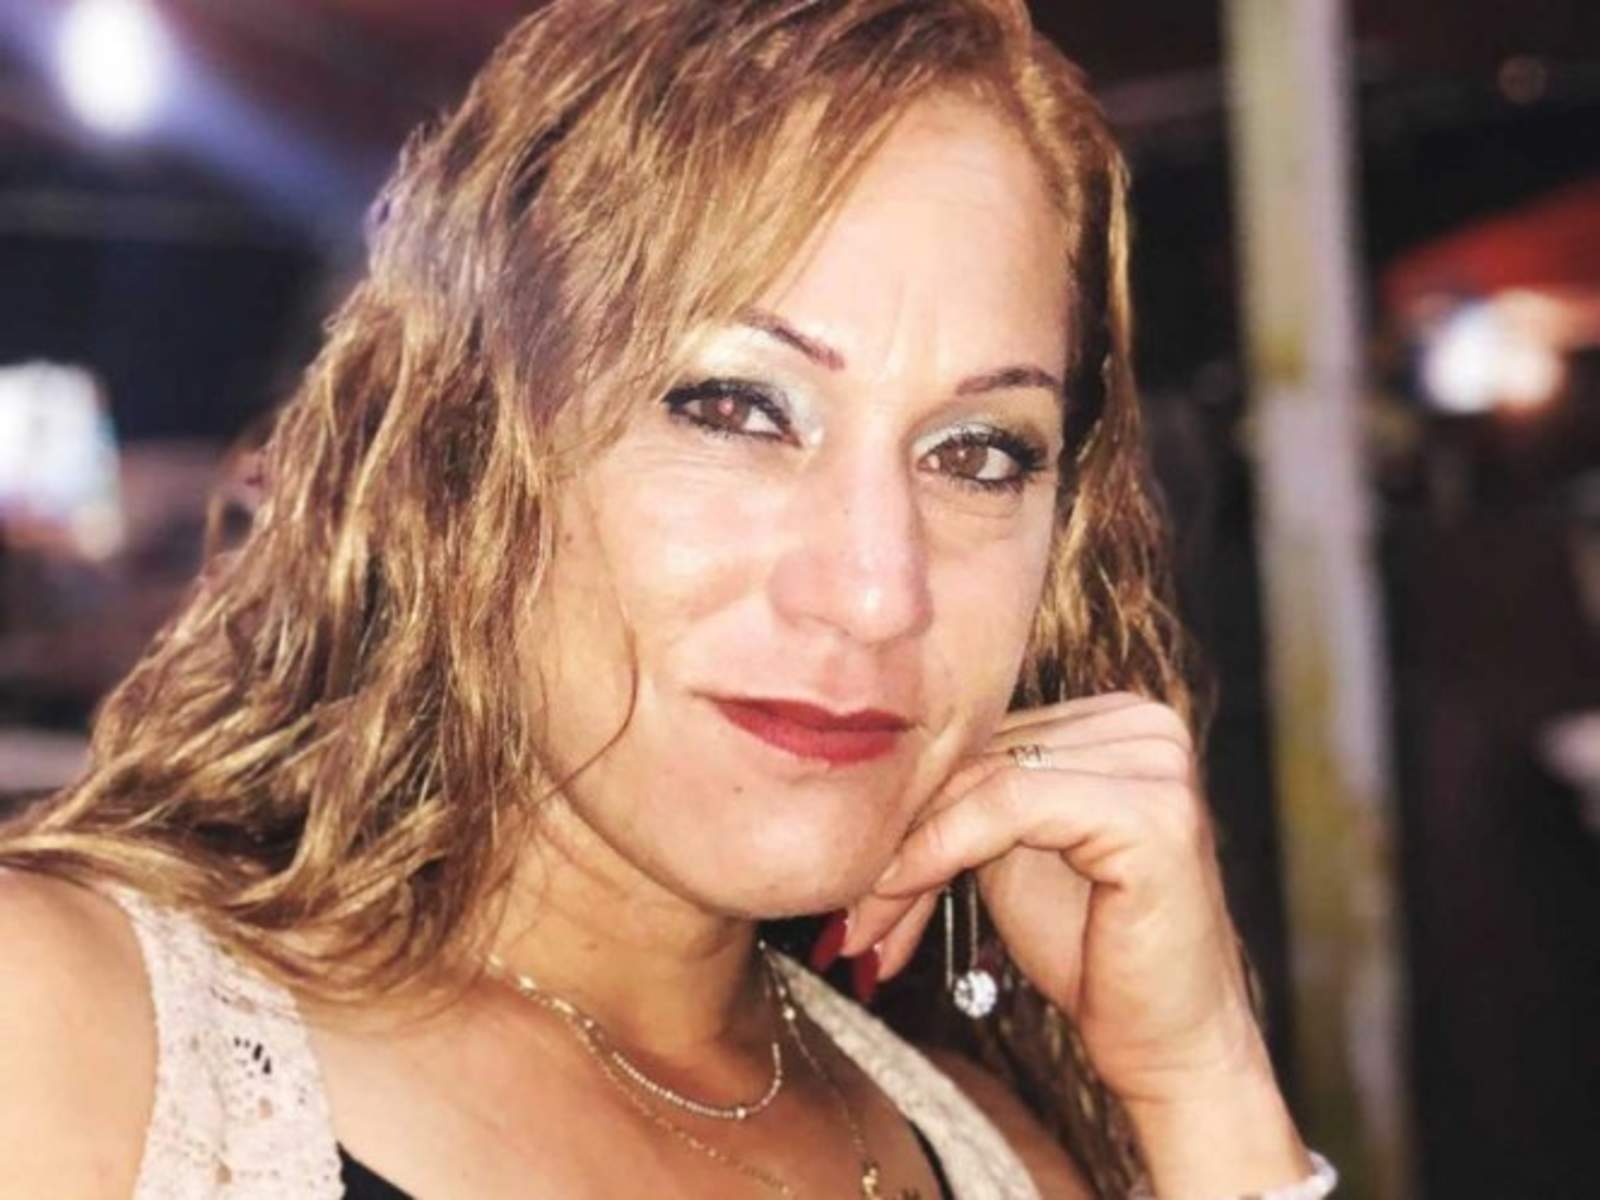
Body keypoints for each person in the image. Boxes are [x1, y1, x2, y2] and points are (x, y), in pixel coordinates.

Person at [0, 2, 1337, 1197]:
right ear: (468, 448)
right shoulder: (70, 1039)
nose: (879, 593)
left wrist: (1202, 1087)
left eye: (977, 453)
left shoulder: (997, 1161)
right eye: (736, 408)